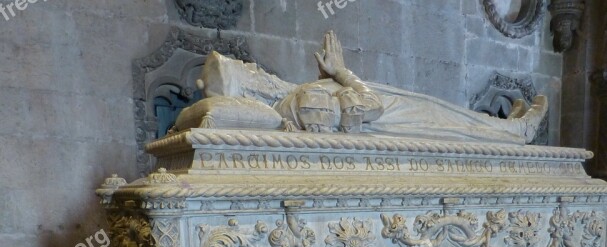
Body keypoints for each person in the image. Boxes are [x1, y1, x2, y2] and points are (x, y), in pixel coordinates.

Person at [194, 32, 548, 144]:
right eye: (246, 70)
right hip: (388, 120)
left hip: (381, 119)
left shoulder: (290, 101)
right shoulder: (298, 101)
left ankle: (505, 129)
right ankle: (517, 131)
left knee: (450, 120)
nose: (256, 68)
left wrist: (329, 79)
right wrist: (343, 72)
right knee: (448, 124)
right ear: (246, 88)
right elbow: (370, 104)